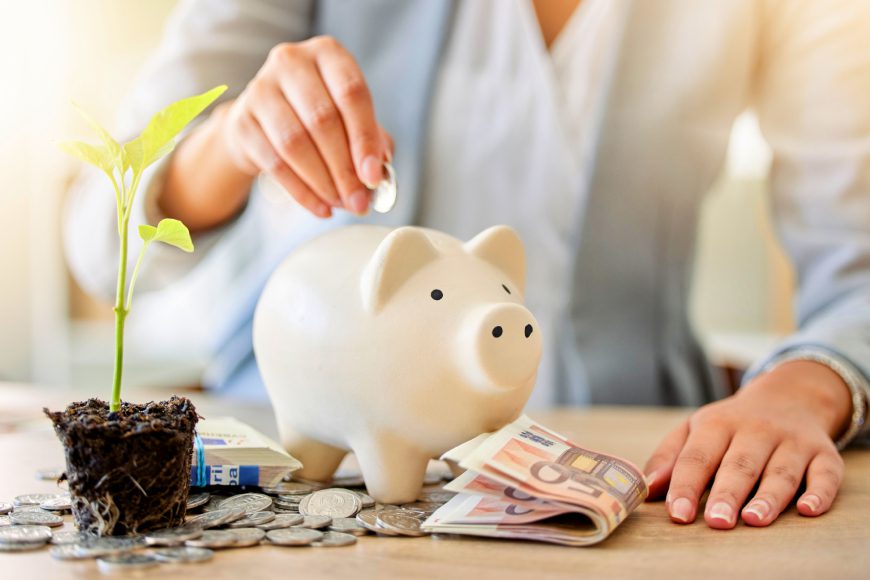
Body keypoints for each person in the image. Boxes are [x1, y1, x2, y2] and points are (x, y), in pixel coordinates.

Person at [65, 0, 870, 531]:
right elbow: (99, 238)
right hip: (314, 478)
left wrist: (805, 384)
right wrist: (231, 143)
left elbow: (856, 258)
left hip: (646, 470)